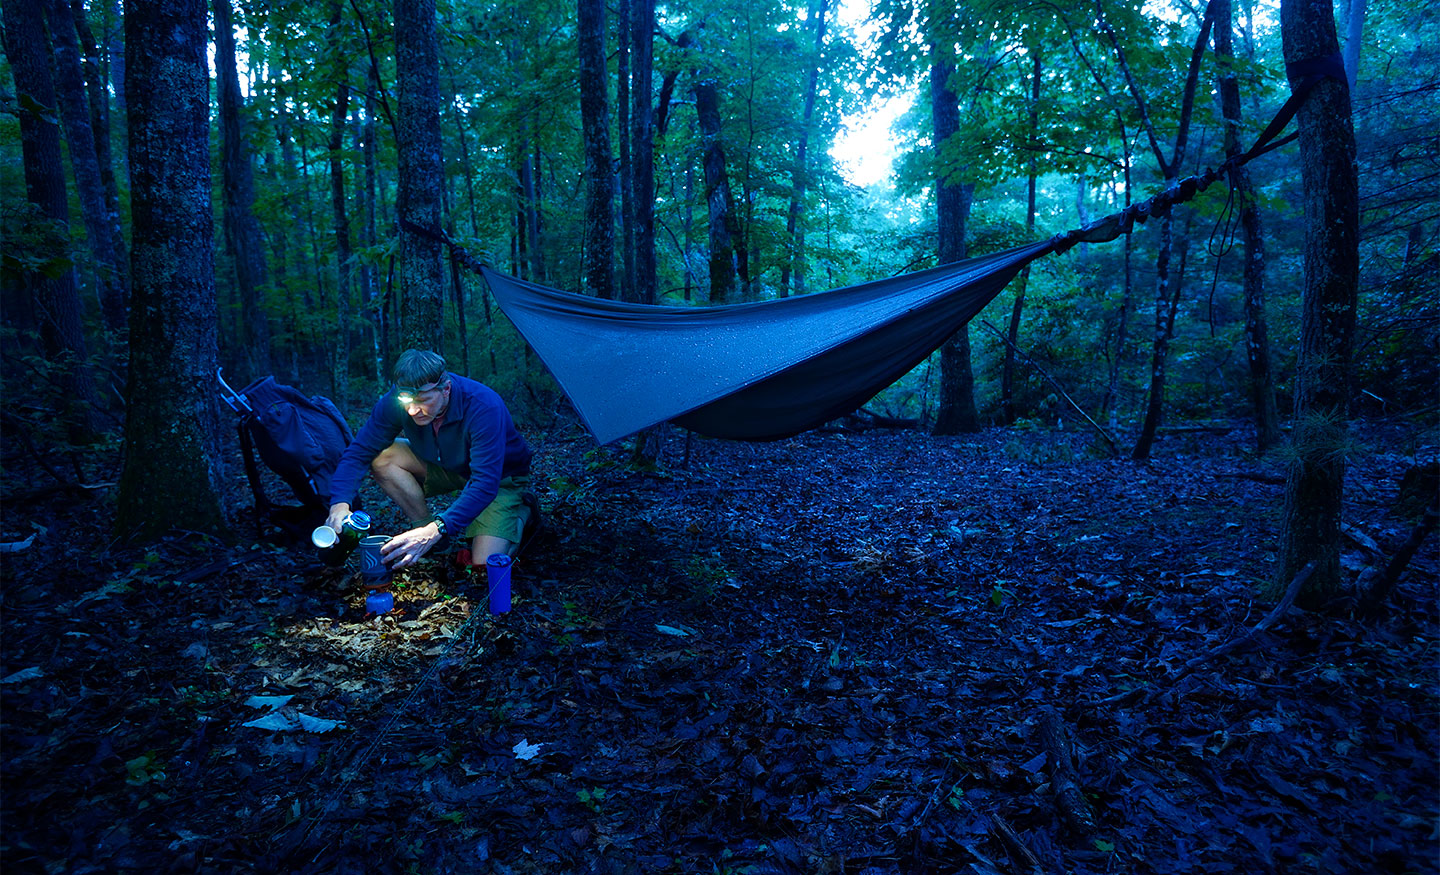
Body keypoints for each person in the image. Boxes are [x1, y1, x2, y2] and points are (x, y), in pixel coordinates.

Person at [326, 349, 536, 572]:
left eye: (424, 400)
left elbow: (485, 483)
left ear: (446, 389)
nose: (413, 410)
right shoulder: (398, 400)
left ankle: (524, 512)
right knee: (382, 457)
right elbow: (360, 451)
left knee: (484, 564)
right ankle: (424, 529)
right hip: (449, 466)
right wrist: (339, 504)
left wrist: (439, 528)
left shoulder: (483, 406)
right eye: (406, 401)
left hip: (500, 478)